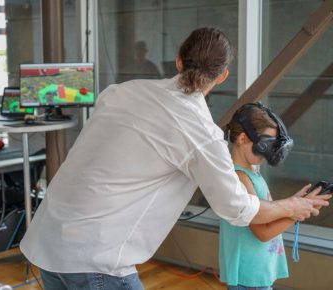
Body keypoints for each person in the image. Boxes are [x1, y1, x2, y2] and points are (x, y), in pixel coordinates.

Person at [20, 27, 329, 290]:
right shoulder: (201, 133)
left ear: (179, 60)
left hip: (48, 239)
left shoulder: (120, 92)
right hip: (94, 258)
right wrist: (293, 207)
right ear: (223, 76)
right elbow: (236, 208)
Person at [218, 103, 329, 290]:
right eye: (266, 143)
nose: (271, 151)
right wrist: (296, 212)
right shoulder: (240, 178)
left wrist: (294, 202)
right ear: (243, 138)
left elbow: (264, 210)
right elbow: (263, 232)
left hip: (257, 271)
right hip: (249, 276)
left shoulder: (251, 172)